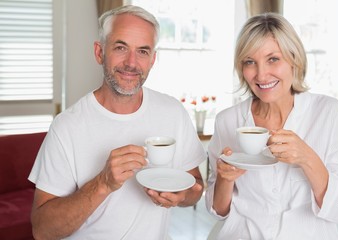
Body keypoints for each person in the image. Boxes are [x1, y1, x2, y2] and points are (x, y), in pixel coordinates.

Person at [28, 5, 207, 240]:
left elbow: (195, 186)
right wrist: (103, 183)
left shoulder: (172, 111)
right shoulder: (67, 127)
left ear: (153, 59)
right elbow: (42, 230)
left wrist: (182, 196)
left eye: (142, 51)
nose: (131, 62)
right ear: (99, 52)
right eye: (121, 47)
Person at [205, 12, 338, 239]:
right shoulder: (228, 120)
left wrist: (307, 157)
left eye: (273, 59)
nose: (261, 74)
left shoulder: (328, 112)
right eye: (250, 62)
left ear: (294, 59)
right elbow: (219, 211)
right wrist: (225, 179)